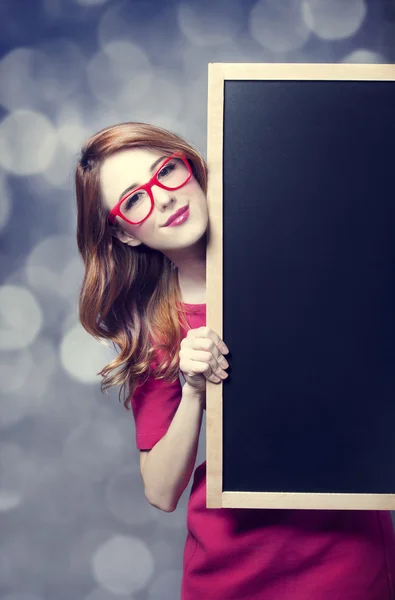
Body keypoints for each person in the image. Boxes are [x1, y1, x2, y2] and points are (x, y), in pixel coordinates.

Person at [75, 121, 395, 600]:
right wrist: (192, 389)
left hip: (346, 552)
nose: (162, 197)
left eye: (166, 171)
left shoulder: (312, 252)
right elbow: (160, 491)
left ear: (191, 168)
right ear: (125, 235)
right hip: (232, 569)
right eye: (134, 199)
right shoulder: (160, 327)